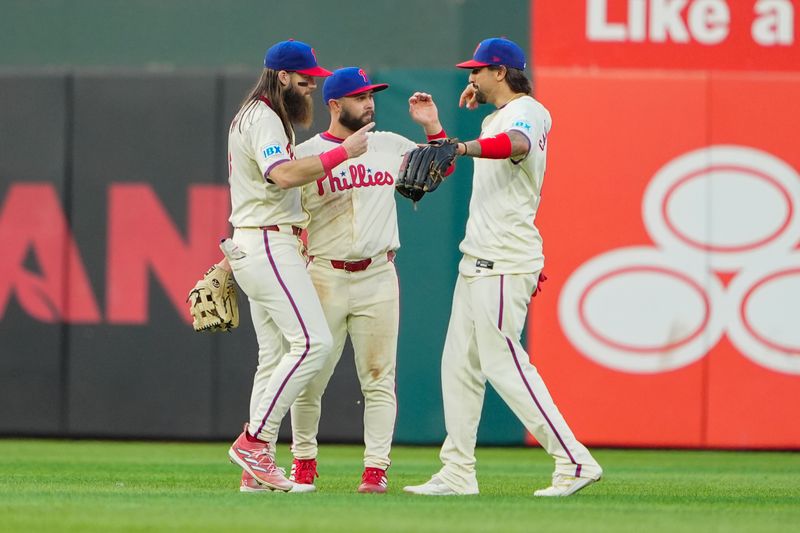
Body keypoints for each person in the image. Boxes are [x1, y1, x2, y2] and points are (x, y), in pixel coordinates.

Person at [403, 37, 603, 497]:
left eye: (478, 70)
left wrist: (464, 145)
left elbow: (513, 144)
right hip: (479, 257)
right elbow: (453, 154)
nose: (469, 77)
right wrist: (438, 131)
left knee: (503, 361)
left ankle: (573, 460)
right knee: (459, 366)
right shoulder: (498, 114)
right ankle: (457, 471)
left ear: (500, 71)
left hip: (505, 258)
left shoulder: (527, 111)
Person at [240, 67, 449, 494]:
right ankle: (303, 464)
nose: (369, 103)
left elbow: (435, 170)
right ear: (335, 105)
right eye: (359, 97)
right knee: (310, 376)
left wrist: (433, 128)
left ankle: (375, 470)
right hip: (324, 272)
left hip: (378, 272)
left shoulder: (389, 145)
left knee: (378, 378)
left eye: (371, 95)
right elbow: (278, 209)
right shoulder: (309, 153)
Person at [222, 39, 373, 492]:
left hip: (258, 241)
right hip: (268, 244)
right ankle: (255, 442)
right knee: (312, 344)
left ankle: (256, 471)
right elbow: (281, 175)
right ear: (282, 77)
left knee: (273, 358)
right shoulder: (265, 117)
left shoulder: (256, 114)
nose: (310, 88)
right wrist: (341, 153)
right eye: (306, 81)